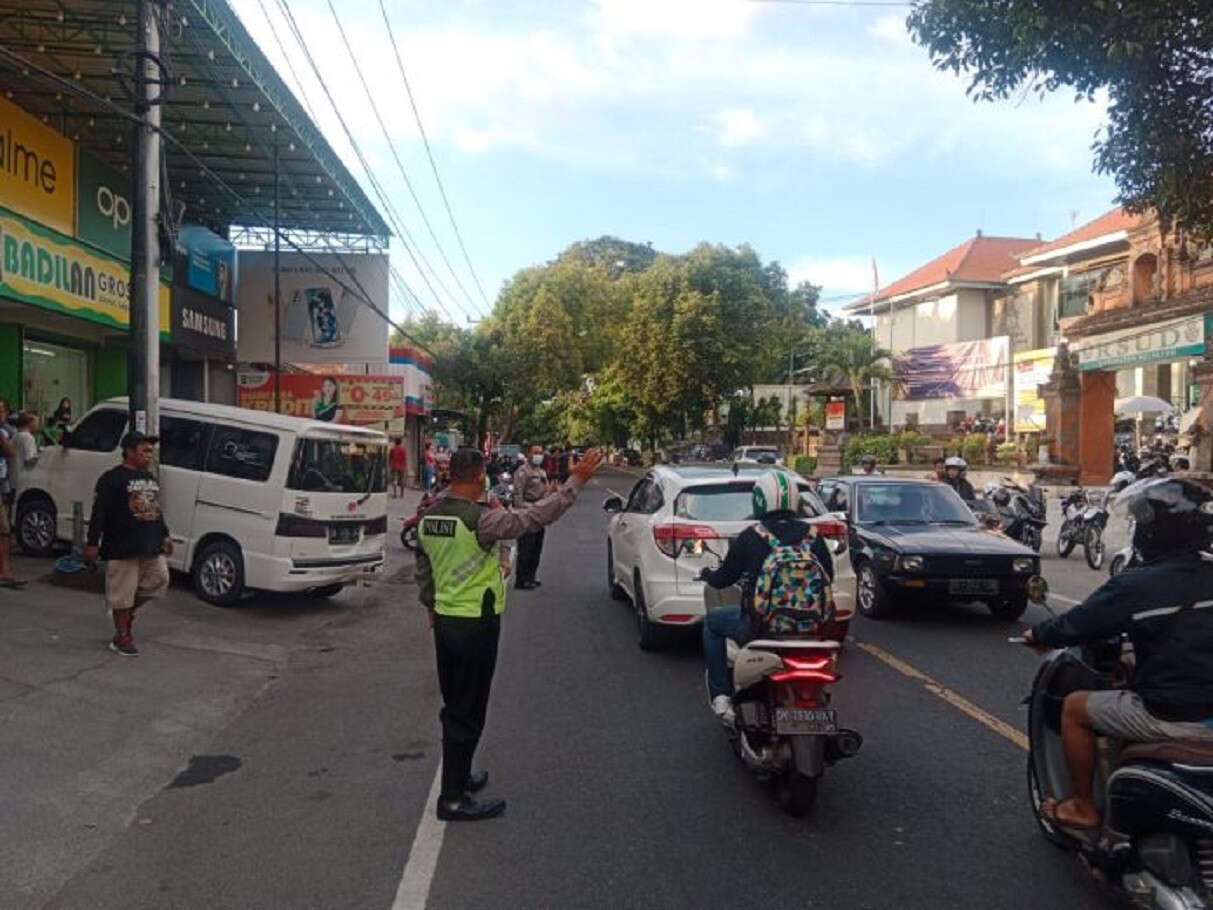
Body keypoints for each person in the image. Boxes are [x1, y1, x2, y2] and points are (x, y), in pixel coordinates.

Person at [417, 446, 603, 821]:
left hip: (446, 622)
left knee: (456, 704)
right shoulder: (482, 520)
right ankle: (452, 799)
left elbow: (425, 569)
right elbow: (536, 517)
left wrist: (431, 607)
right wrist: (576, 480)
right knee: (468, 711)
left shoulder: (429, 514)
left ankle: (461, 776)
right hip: (475, 623)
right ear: (478, 476)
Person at [1023, 477, 1213, 830]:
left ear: (1155, 530)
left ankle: (1082, 806)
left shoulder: (1139, 584)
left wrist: (1039, 632)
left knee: (1075, 707)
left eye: (1143, 522)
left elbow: (1079, 622)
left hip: (1177, 714)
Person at [698, 470, 835, 722]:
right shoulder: (814, 536)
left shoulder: (752, 536)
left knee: (712, 623)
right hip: (813, 629)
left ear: (760, 500)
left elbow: (725, 578)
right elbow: (829, 576)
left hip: (761, 628)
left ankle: (721, 694)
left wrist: (707, 574)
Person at [84, 432, 173, 656]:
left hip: (150, 544)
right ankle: (122, 635)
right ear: (129, 451)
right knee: (122, 593)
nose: (149, 456)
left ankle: (126, 612)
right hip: (122, 546)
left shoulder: (151, 479)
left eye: (150, 452)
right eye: (144, 451)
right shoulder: (111, 479)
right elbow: (99, 513)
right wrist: (92, 543)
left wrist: (165, 534)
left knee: (159, 579)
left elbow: (156, 509)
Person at [511, 445, 550, 590]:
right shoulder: (522, 471)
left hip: (539, 513)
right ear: (528, 454)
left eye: (540, 453)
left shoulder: (541, 472)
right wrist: (522, 511)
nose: (538, 455)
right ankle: (521, 579)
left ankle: (531, 576)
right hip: (527, 512)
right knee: (526, 548)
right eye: (535, 453)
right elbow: (518, 494)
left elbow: (544, 492)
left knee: (536, 547)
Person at [0, 399, 23, 590]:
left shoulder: (7, 431)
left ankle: (5, 570)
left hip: (1, 485)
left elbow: (11, 452)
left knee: (4, 529)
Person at [10, 414, 38, 493]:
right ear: (30, 423)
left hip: (13, 478)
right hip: (24, 480)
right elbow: (30, 460)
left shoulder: (14, 436)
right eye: (35, 422)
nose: (37, 425)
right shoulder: (29, 438)